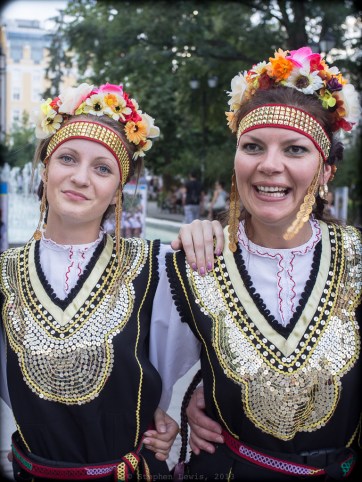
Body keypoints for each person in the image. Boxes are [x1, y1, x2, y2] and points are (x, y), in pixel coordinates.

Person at [150, 46, 361, 481]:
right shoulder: (194, 262)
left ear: (326, 172)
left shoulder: (358, 259)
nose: (269, 166)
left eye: (295, 150)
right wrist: (194, 396)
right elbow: (140, 377)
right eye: (253, 146)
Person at [0, 81, 221, 481]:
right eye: (67, 158)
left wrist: (211, 230)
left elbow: (215, 351)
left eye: (103, 168)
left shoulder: (157, 267)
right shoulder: (5, 273)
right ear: (46, 167)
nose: (81, 178)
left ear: (120, 191)